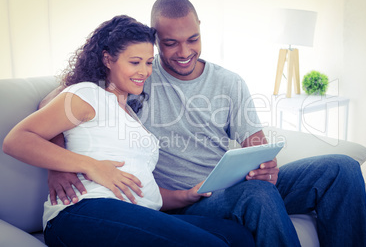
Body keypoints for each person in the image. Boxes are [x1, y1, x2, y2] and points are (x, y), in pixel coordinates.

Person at [45, 0, 366, 246]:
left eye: (192, 39)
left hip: (234, 187)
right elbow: (54, 102)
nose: (184, 51)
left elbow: (255, 142)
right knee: (257, 195)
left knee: (341, 168)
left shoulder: (229, 82)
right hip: (189, 202)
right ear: (155, 40)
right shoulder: (138, 74)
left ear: (200, 28)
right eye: (170, 43)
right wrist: (59, 165)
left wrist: (266, 164)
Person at [2, 15, 255, 247]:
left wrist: (185, 195)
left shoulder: (132, 116)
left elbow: (137, 188)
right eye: (134, 62)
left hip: (139, 215)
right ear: (107, 59)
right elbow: (16, 140)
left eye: (148, 62)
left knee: (238, 236)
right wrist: (91, 166)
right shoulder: (88, 94)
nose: (144, 71)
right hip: (84, 213)